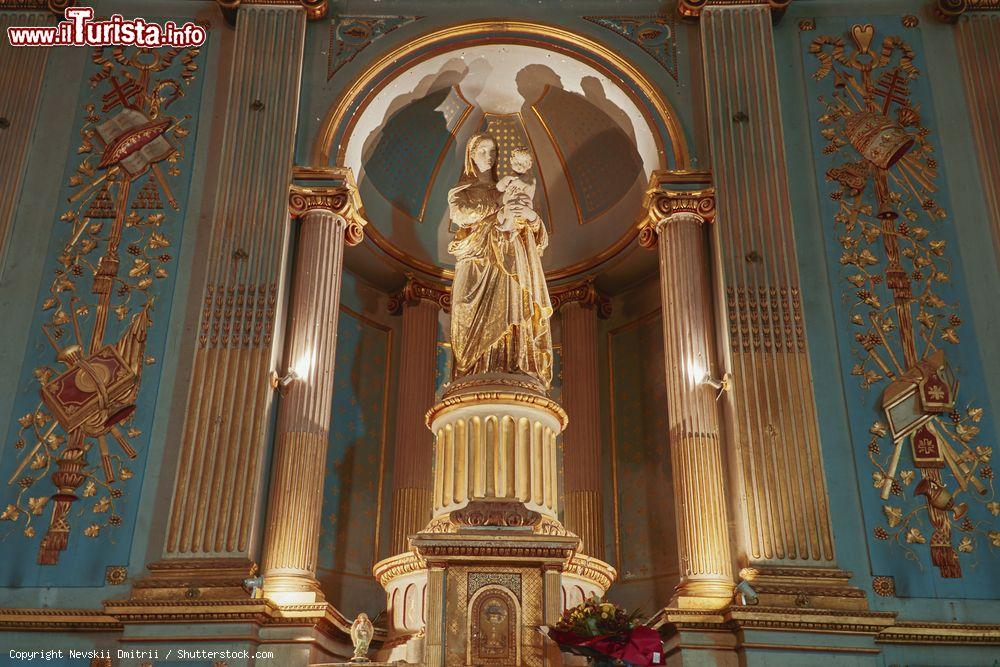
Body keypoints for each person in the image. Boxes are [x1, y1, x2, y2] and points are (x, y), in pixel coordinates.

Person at [447, 133, 553, 387]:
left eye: (493, 151)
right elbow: (462, 215)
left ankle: (513, 366)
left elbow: (536, 242)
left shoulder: (514, 187)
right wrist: (497, 196)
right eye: (482, 151)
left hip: (509, 260)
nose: (489, 156)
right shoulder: (461, 192)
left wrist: (531, 217)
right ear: (471, 155)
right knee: (465, 309)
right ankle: (473, 373)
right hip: (474, 261)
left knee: (512, 307)